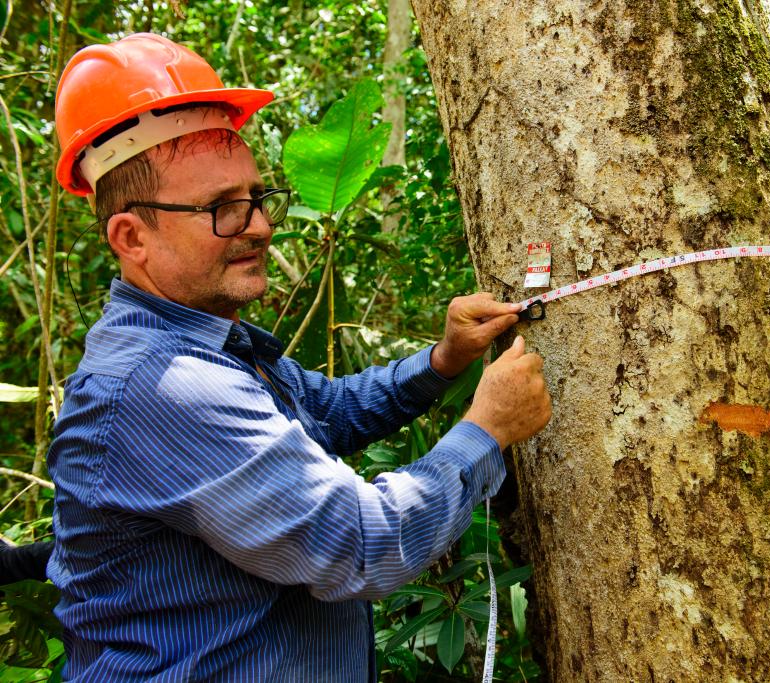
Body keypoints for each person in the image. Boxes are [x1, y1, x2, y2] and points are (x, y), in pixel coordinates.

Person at [47, 33, 551, 681]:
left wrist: (442, 360)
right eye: (222, 209)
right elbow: (362, 546)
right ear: (132, 236)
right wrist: (485, 431)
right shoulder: (164, 387)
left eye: (256, 198)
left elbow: (326, 410)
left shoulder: (206, 339)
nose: (258, 225)